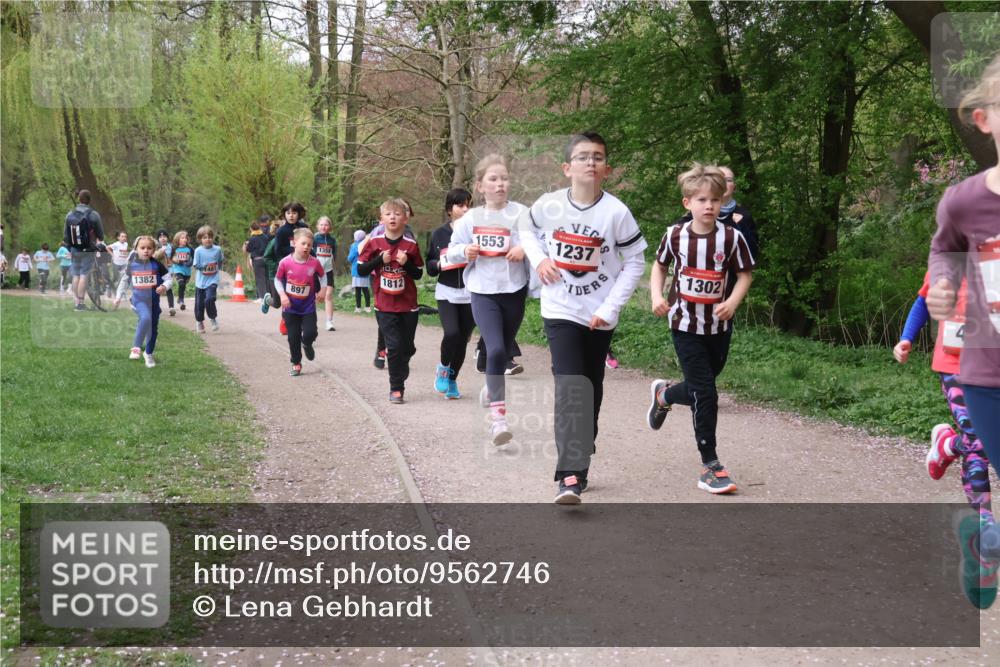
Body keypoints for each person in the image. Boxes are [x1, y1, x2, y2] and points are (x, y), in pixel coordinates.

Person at [518, 132, 647, 503]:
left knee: (591, 385)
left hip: (599, 313)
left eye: (597, 157)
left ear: (607, 169)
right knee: (572, 386)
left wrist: (610, 308)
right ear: (566, 167)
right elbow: (526, 230)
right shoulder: (549, 204)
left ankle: (582, 446)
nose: (590, 162)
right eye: (582, 157)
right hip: (560, 309)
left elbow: (635, 260)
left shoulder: (616, 212)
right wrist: (539, 259)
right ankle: (570, 474)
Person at [925, 54, 1000, 607]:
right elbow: (945, 248)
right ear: (984, 119)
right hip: (986, 372)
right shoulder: (966, 200)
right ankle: (983, 539)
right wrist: (945, 288)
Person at [646, 163, 755, 496]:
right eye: (702, 200)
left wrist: (733, 302)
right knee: (706, 392)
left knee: (701, 384)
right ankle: (711, 465)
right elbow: (660, 265)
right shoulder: (675, 234)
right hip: (684, 324)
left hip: (719, 326)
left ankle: (664, 394)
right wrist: (656, 295)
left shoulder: (732, 238)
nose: (709, 206)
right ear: (687, 203)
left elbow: (746, 275)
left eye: (715, 200)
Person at [895, 273, 992, 526]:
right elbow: (925, 301)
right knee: (976, 438)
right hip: (954, 365)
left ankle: (946, 446)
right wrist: (906, 338)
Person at [447, 154, 529, 443]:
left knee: (503, 350)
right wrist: (465, 251)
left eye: (504, 178)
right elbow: (452, 250)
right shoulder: (470, 218)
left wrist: (524, 250)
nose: (500, 184)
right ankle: (498, 420)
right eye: (493, 179)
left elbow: (538, 243)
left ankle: (490, 387)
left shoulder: (522, 213)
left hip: (514, 290)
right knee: (495, 352)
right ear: (480, 186)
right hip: (483, 291)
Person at [357, 199, 424, 403]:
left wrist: (405, 265)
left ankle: (401, 364)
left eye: (397, 214)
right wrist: (380, 261)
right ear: (381, 219)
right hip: (384, 304)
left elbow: (419, 274)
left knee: (407, 348)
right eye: (388, 214)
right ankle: (396, 388)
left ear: (405, 218)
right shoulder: (374, 243)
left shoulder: (411, 245)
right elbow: (361, 269)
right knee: (393, 347)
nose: (393, 217)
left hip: (408, 305)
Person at [426, 188, 474, 399]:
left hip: (471, 291)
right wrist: (439, 263)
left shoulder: (477, 233)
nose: (464, 209)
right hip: (446, 291)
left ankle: (452, 380)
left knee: (463, 339)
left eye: (467, 205)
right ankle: (443, 367)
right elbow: (429, 265)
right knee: (452, 333)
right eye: (459, 205)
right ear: (449, 209)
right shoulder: (439, 234)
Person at [275, 228, 327, 376]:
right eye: (303, 243)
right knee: (293, 337)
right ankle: (296, 362)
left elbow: (323, 277)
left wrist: (323, 290)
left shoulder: (314, 263)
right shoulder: (285, 262)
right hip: (290, 307)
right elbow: (277, 279)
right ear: (294, 243)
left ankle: (307, 343)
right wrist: (282, 295)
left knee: (310, 332)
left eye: (309, 245)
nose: (306, 247)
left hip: (308, 307)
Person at [114, 235, 171, 368]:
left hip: (154, 302)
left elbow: (168, 279)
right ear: (136, 249)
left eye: (149, 248)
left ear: (153, 250)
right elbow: (124, 281)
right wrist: (118, 296)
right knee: (145, 318)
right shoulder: (132, 265)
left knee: (153, 329)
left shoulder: (157, 264)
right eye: (142, 248)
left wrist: (164, 286)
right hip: (138, 300)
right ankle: (136, 347)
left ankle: (149, 353)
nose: (146, 250)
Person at [64, 189, 105, 311]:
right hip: (88, 249)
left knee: (75, 275)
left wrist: (70, 247)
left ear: (79, 199)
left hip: (74, 249)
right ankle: (81, 303)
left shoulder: (69, 214)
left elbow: (66, 236)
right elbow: (101, 235)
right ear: (89, 200)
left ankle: (76, 302)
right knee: (84, 274)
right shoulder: (93, 214)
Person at [192, 225, 223, 333]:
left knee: (210, 299)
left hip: (212, 280)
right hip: (200, 282)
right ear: (200, 239)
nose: (208, 239)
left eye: (209, 237)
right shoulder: (198, 251)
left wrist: (216, 268)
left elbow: (220, 261)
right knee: (199, 304)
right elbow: (196, 265)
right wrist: (204, 267)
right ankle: (199, 321)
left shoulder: (218, 249)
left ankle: (213, 318)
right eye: (204, 237)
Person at [314, 216, 338, 332]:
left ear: (330, 227)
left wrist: (334, 267)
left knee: (328, 295)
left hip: (328, 271)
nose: (324, 227)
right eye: (322, 225)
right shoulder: (314, 239)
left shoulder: (332, 240)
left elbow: (334, 256)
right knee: (315, 297)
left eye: (326, 225)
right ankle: (310, 320)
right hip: (315, 271)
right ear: (318, 226)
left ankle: (329, 322)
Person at [246, 216, 272, 303]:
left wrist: (246, 245)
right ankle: (269, 296)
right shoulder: (265, 236)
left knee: (259, 279)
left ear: (251, 229)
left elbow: (248, 249)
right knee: (266, 278)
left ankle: (261, 297)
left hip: (257, 260)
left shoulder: (252, 238)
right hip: (266, 259)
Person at [348, 230, 371, 313]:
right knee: (366, 289)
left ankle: (358, 308)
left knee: (358, 290)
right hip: (365, 269)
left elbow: (350, 258)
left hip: (356, 270)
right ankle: (368, 307)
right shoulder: (367, 245)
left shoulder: (354, 246)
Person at [170, 230, 193, 310]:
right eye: (182, 238)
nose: (184, 240)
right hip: (178, 269)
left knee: (183, 286)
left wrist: (190, 262)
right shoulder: (174, 248)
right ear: (178, 239)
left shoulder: (190, 249)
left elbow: (193, 258)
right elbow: (171, 258)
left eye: (186, 238)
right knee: (181, 284)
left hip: (187, 271)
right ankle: (181, 301)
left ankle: (180, 298)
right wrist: (175, 260)